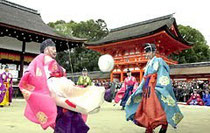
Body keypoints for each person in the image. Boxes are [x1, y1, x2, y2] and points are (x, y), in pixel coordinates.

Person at [18, 39, 105, 133]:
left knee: (71, 108)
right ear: (46, 49)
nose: (55, 51)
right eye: (52, 48)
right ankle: (98, 95)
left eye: (55, 49)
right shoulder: (43, 58)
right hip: (54, 86)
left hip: (58, 86)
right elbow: (41, 72)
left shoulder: (46, 60)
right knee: (73, 100)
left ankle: (95, 98)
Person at [125, 43, 183, 133]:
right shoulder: (148, 63)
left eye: (148, 52)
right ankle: (150, 127)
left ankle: (162, 125)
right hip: (147, 88)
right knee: (146, 107)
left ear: (154, 51)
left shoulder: (159, 61)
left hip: (155, 87)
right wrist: (140, 88)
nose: (146, 54)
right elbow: (145, 77)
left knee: (156, 108)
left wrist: (160, 87)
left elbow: (163, 74)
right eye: (146, 52)